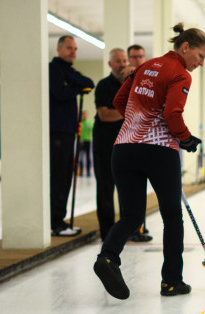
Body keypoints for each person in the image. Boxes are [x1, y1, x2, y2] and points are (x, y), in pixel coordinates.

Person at [92, 23, 205, 299]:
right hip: (158, 151)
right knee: (172, 217)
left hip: (123, 148)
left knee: (132, 216)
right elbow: (172, 114)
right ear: (185, 48)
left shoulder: (145, 67)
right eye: (201, 56)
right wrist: (185, 138)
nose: (201, 63)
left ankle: (108, 257)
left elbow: (120, 100)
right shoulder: (180, 74)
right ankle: (171, 281)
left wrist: (138, 120)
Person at [49, 35, 94, 236]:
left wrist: (72, 84)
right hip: (57, 130)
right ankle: (55, 222)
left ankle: (60, 219)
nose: (73, 52)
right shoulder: (54, 69)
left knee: (66, 175)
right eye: (69, 48)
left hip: (68, 131)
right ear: (59, 49)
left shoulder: (68, 71)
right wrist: (76, 87)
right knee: (59, 176)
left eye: (75, 48)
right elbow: (60, 93)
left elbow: (89, 82)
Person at [93, 48, 130, 241]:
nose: (122, 64)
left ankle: (126, 231)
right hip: (105, 145)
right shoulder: (103, 86)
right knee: (106, 188)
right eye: (118, 61)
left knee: (127, 189)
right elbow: (105, 115)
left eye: (124, 60)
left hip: (125, 146)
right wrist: (129, 110)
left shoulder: (131, 85)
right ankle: (107, 233)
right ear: (110, 64)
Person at [126, 44, 154, 243]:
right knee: (130, 190)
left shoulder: (149, 79)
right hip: (127, 141)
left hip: (146, 140)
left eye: (140, 56)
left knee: (141, 189)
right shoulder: (128, 80)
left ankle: (140, 227)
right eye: (133, 57)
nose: (137, 60)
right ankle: (131, 227)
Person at [78, 111, 93, 176]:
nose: (84, 116)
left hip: (88, 141)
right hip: (81, 141)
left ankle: (88, 171)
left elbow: (93, 130)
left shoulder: (89, 122)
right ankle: (80, 171)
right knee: (80, 156)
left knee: (88, 156)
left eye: (85, 115)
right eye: (83, 115)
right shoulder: (79, 123)